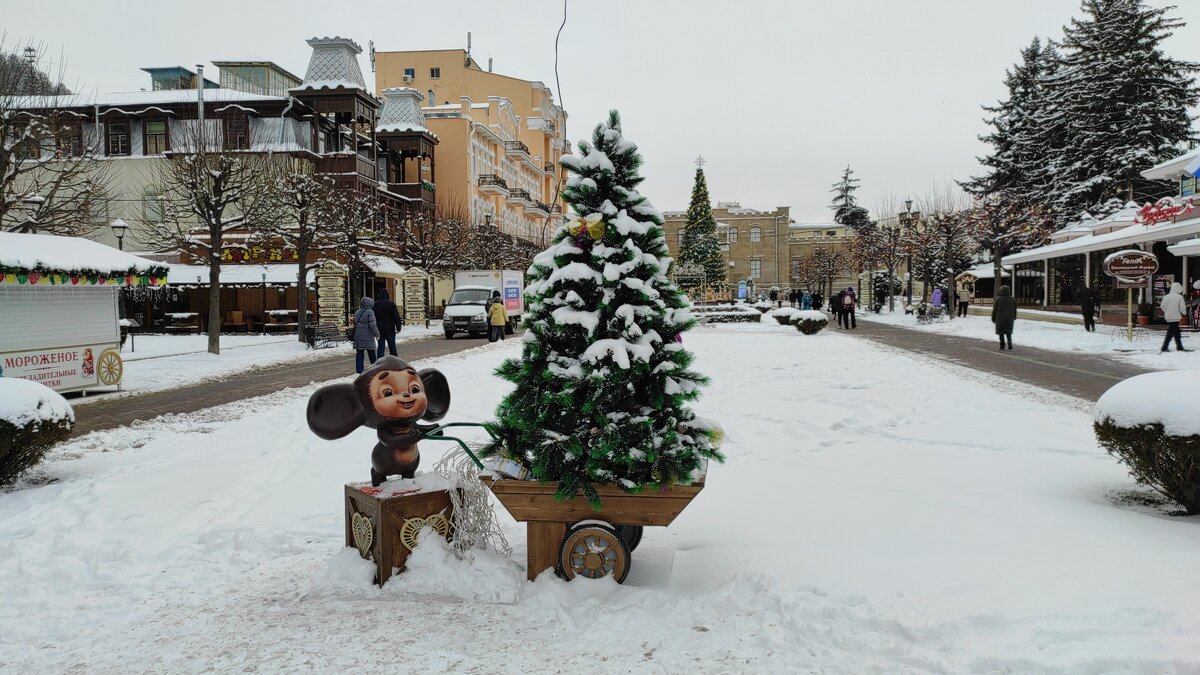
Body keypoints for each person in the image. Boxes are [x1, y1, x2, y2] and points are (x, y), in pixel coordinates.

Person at [1160, 281, 1190, 353]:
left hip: (1168, 316)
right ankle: (1165, 347)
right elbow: (1182, 307)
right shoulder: (1179, 297)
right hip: (1176, 316)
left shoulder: (1166, 297)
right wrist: (1184, 313)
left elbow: (1162, 306)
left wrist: (1167, 311)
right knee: (1171, 332)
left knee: (1176, 332)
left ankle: (1179, 346)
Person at [372, 288, 403, 358]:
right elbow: (396, 317)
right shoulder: (391, 304)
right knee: (392, 347)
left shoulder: (375, 304)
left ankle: (380, 362)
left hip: (379, 329)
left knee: (381, 348)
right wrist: (398, 327)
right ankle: (395, 361)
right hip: (390, 329)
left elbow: (373, 317)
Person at [352, 296, 380, 373]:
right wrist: (377, 334)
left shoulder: (357, 312)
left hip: (358, 336)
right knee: (372, 354)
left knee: (359, 354)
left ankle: (359, 371)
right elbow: (372, 325)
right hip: (368, 336)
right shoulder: (370, 312)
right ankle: (375, 369)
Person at [992, 284, 1016, 351]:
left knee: (1001, 333)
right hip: (1009, 318)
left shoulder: (998, 299)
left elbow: (995, 310)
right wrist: (1014, 317)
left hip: (1000, 319)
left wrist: (993, 318)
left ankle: (1002, 346)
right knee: (1008, 332)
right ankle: (1009, 342)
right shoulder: (1012, 299)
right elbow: (1015, 309)